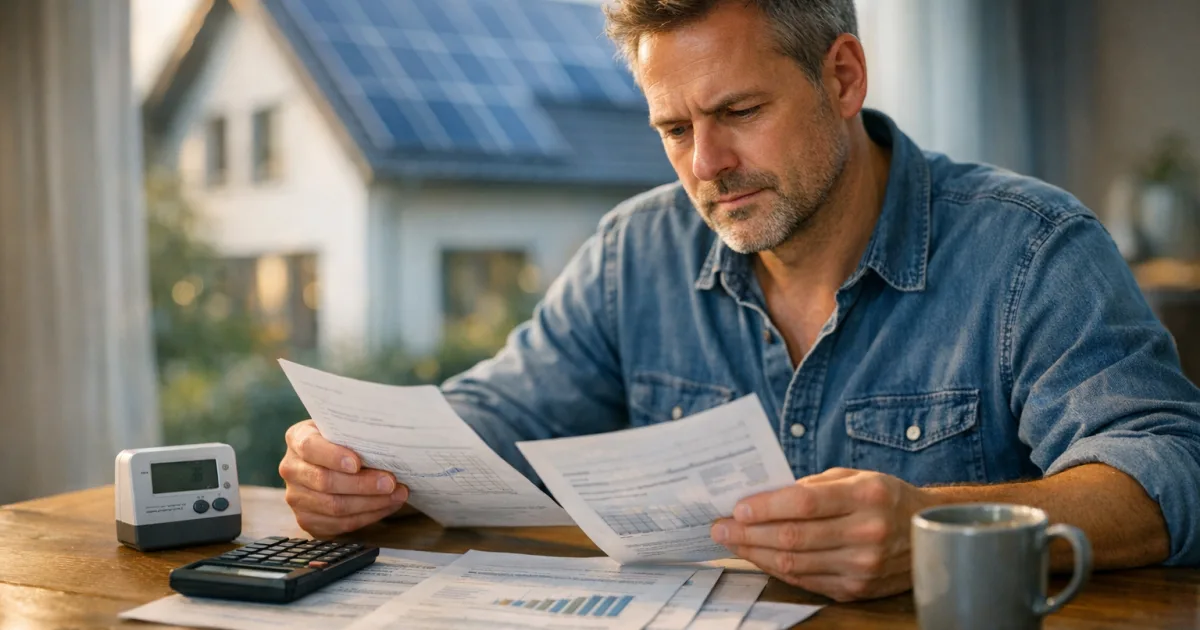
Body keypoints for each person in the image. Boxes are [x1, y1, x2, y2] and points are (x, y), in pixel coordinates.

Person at [277, 0, 1200, 602]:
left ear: (843, 76)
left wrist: (935, 528)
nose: (706, 166)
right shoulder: (634, 253)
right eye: (674, 128)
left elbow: (1169, 467)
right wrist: (358, 464)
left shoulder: (1031, 248)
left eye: (739, 113)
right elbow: (496, 417)